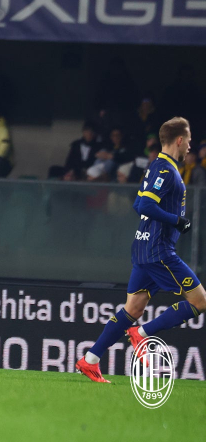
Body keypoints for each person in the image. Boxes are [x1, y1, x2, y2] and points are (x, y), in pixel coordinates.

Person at [76, 117, 206, 383]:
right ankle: (142, 334)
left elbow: (138, 203)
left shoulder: (156, 165)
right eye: (189, 141)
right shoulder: (166, 170)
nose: (190, 146)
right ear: (179, 140)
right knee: (200, 301)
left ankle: (90, 359)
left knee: (133, 309)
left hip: (144, 246)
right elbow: (145, 206)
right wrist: (177, 220)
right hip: (159, 250)